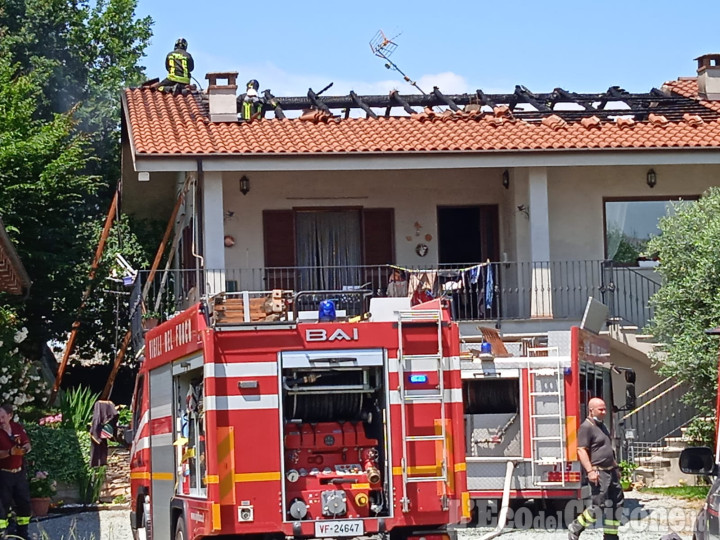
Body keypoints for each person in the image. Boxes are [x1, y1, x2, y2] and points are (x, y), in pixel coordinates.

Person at [568, 397, 623, 540]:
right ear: (591, 410)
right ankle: (576, 526)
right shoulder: (586, 427)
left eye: (605, 409)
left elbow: (607, 449)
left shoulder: (602, 426)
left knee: (616, 504)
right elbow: (581, 450)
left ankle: (611, 536)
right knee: (599, 506)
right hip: (599, 472)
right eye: (601, 409)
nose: (604, 412)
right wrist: (590, 471)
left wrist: (616, 468)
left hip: (611, 471)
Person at [0, 403, 32, 540]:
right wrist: (10, 452)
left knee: (24, 503)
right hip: (3, 474)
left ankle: (22, 534)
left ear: (10, 416)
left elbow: (28, 444)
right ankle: (2, 534)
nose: (0, 419)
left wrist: (24, 449)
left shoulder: (17, 428)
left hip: (19, 473)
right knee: (2, 505)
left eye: (2, 416)